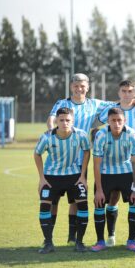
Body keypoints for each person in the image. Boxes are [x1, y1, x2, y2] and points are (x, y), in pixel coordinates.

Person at [47, 73, 112, 244]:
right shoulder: (62, 103)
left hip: (80, 160)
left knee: (75, 199)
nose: (79, 88)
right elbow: (52, 118)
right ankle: (48, 238)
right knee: (53, 201)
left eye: (82, 85)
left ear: (87, 87)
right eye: (76, 85)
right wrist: (51, 132)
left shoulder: (95, 104)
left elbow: (117, 105)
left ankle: (71, 237)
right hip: (58, 159)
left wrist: (133, 102)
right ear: (71, 87)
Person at [34, 107, 90, 253]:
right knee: (45, 206)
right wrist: (42, 178)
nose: (65, 123)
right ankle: (48, 243)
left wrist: (83, 175)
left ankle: (79, 242)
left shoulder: (81, 135)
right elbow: (37, 154)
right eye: (61, 120)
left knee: (83, 205)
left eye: (68, 120)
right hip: (51, 178)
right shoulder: (47, 137)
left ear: (72, 121)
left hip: (74, 176)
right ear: (56, 121)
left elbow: (86, 151)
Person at [97, 80, 135, 247]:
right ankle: (110, 235)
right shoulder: (111, 111)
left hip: (132, 165)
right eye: (123, 91)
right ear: (119, 93)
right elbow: (97, 124)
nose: (127, 94)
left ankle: (133, 238)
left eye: (130, 91)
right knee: (112, 199)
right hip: (108, 166)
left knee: (134, 199)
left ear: (134, 93)